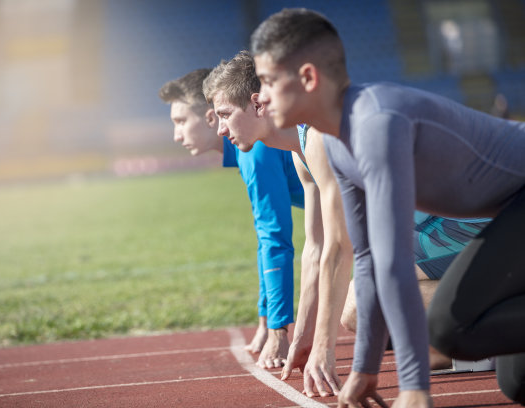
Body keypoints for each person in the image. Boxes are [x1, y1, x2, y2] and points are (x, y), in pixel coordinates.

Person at [251, 7, 525, 408]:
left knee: (450, 327)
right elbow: (366, 259)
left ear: (308, 78)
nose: (263, 96)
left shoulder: (376, 121)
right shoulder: (335, 145)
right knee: (517, 383)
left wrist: (414, 388)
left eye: (270, 82)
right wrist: (364, 371)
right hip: (510, 210)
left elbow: (393, 260)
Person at [203, 51, 353, 397]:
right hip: (412, 238)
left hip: (451, 225)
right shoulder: (299, 153)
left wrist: (323, 349)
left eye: (225, 115)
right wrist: (300, 339)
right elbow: (314, 250)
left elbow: (336, 247)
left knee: (360, 308)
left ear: (257, 105)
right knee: (359, 308)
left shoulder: (317, 137)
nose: (221, 129)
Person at [158, 68, 305, 369]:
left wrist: (278, 332)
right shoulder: (247, 148)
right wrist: (264, 321)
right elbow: (265, 238)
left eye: (182, 121)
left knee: (355, 315)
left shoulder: (255, 149)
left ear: (211, 117)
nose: (176, 134)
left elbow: (274, 239)